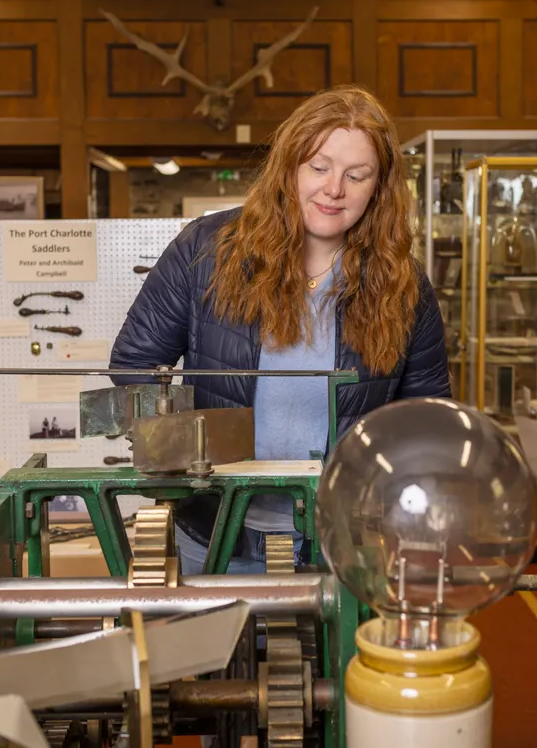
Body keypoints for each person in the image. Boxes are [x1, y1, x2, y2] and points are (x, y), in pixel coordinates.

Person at [110, 84, 451, 576]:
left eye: (356, 175)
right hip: (214, 531)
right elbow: (134, 365)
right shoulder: (206, 251)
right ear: (289, 166)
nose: (334, 189)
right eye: (319, 167)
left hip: (341, 541)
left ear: (379, 188)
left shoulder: (403, 284)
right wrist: (191, 451)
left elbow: (426, 417)